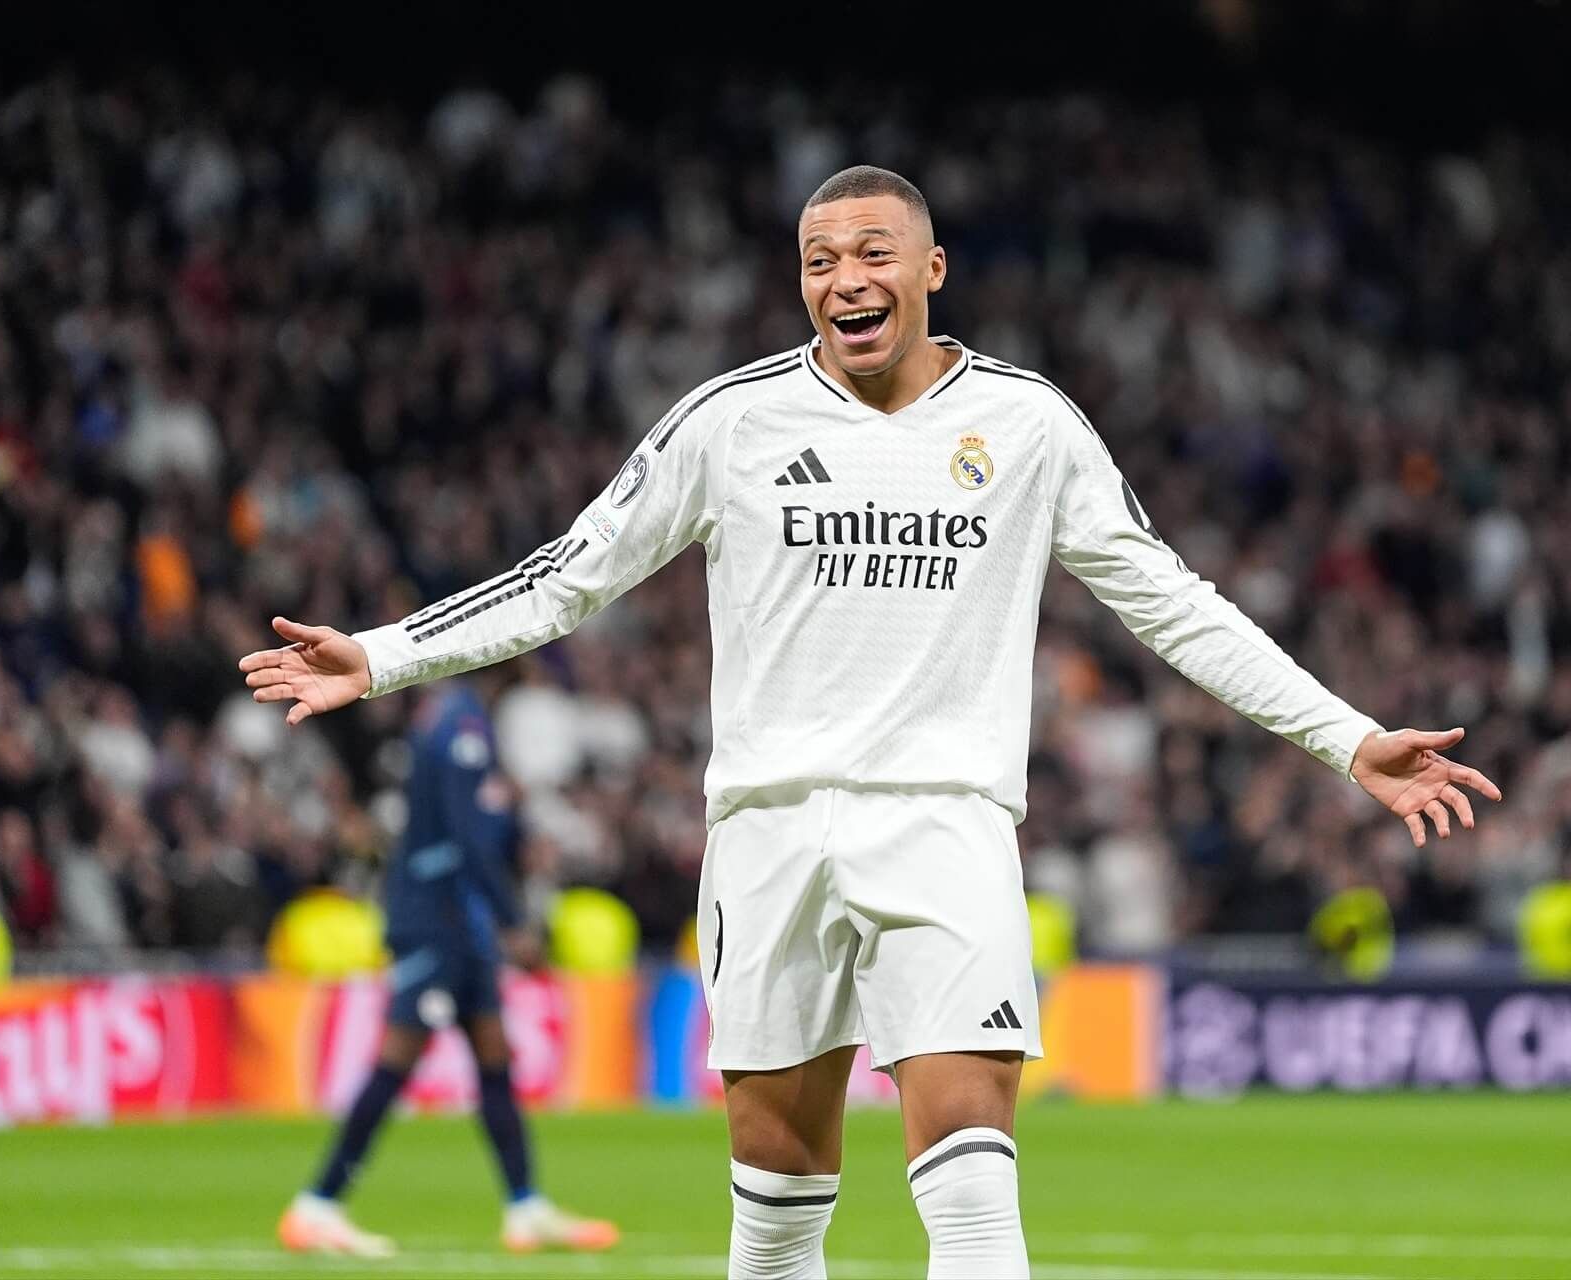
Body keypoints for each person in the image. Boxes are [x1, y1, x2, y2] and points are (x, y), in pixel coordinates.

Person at [240, 165, 1502, 1279]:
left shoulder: (1025, 423)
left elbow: (1174, 602)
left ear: (932, 269)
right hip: (769, 835)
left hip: (945, 824)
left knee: (970, 1191)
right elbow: (570, 571)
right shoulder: (730, 420)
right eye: (819, 262)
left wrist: (1346, 736)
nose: (845, 279)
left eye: (872, 254)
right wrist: (385, 653)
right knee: (778, 1225)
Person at [275, 680, 617, 1258]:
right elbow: (465, 835)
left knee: (493, 1053)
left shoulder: (453, 718)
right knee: (399, 1057)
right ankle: (318, 1205)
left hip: (459, 918)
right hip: (438, 917)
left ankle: (525, 1205)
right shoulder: (460, 725)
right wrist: (513, 918)